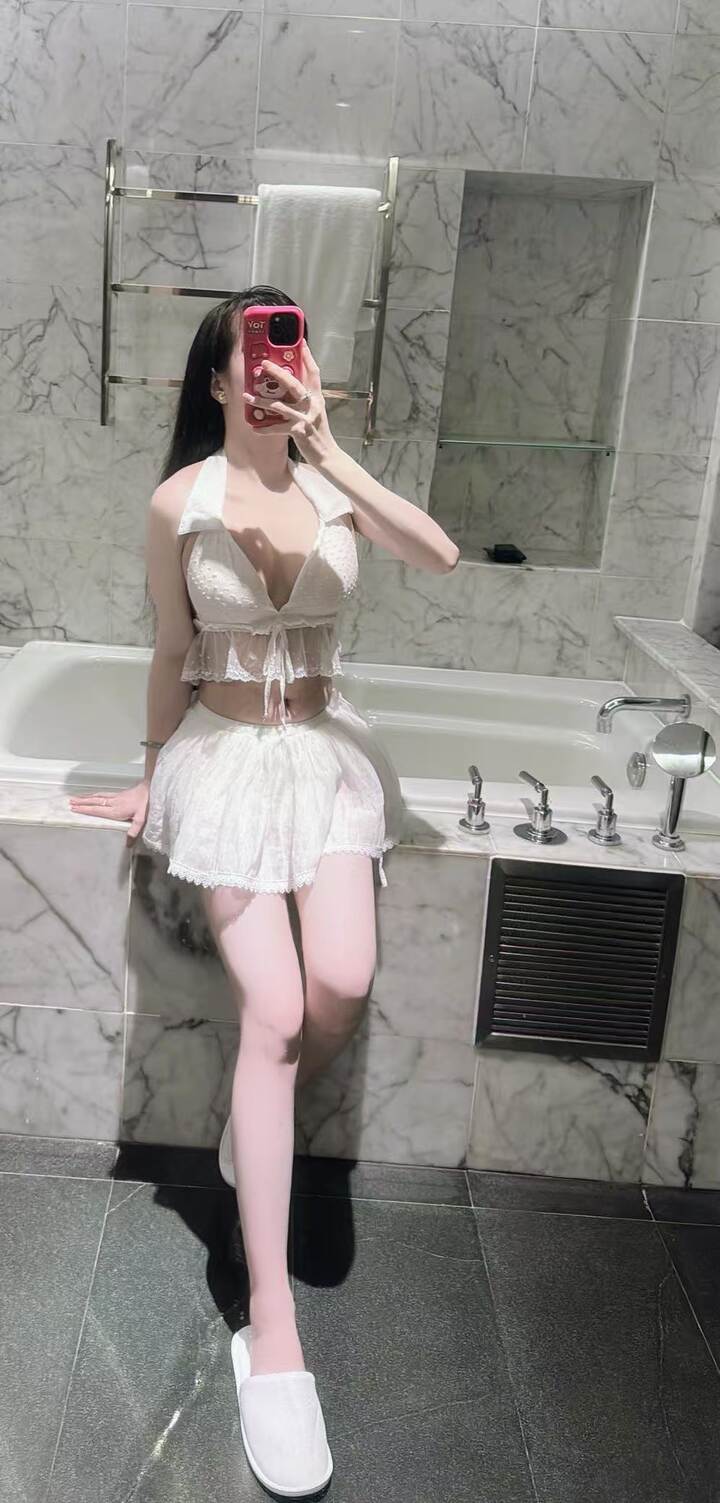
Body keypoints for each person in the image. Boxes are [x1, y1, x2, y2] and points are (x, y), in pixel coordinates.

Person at [68, 284, 459, 1497]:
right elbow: (170, 649)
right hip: (228, 762)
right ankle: (274, 1330)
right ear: (218, 379)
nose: (274, 367)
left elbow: (438, 553)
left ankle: (254, 1130)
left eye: (290, 347)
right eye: (253, 350)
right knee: (276, 1015)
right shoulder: (179, 502)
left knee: (341, 979)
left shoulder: (334, 485)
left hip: (329, 757)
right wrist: (150, 776)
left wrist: (329, 449)